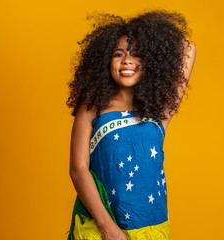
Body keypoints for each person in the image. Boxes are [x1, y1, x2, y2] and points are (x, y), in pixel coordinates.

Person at [66, 9, 196, 240]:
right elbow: (78, 169)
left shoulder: (160, 109)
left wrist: (152, 39)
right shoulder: (92, 107)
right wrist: (108, 228)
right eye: (118, 54)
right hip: (100, 227)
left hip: (150, 226)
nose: (127, 60)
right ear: (105, 61)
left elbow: (188, 48)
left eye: (137, 54)